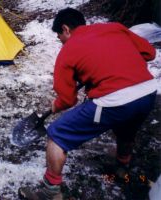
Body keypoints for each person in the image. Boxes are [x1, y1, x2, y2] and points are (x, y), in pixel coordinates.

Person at [18, 7, 157, 200]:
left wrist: (53, 107)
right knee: (126, 126)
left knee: (57, 134)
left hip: (115, 100)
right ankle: (122, 167)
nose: (61, 42)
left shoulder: (69, 51)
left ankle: (50, 192)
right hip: (148, 93)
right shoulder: (114, 28)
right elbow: (150, 53)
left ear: (66, 29)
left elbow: (68, 99)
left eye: (59, 37)